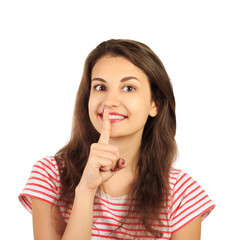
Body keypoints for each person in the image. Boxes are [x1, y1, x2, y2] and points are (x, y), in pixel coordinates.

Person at [19, 39, 215, 239]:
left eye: (128, 88)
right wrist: (86, 191)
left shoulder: (183, 193)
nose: (109, 101)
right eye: (100, 87)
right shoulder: (50, 175)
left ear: (154, 104)